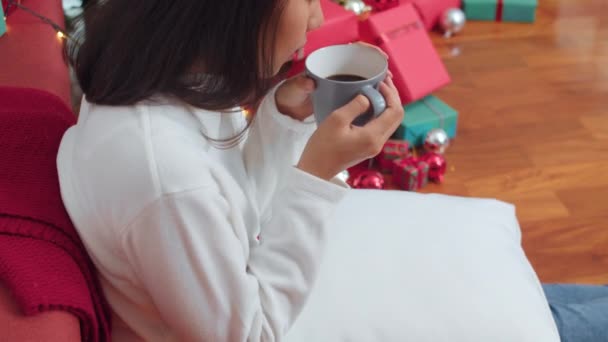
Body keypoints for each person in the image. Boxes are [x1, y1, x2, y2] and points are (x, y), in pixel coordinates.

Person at [56, 0, 608, 341]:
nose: (319, 16)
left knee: (557, 295)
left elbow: (233, 202)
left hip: (269, 275)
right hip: (282, 315)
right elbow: (252, 333)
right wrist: (317, 175)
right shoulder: (167, 181)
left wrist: (281, 119)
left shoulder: (162, 83)